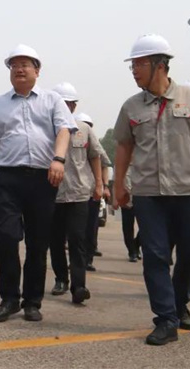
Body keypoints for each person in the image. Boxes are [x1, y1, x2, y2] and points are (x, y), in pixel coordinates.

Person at [113, 34, 190, 346]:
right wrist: (119, 184)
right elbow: (124, 148)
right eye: (132, 65)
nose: (134, 70)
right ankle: (166, 319)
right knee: (155, 255)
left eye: (140, 64)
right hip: (148, 193)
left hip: (187, 190)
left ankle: (179, 302)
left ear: (160, 65)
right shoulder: (131, 106)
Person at [0, 44, 75, 323]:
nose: (19, 69)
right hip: (8, 179)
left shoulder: (52, 100)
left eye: (25, 64)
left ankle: (32, 301)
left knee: (38, 242)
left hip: (43, 178)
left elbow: (64, 130)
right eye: (14, 65)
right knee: (7, 238)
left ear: (37, 70)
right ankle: (9, 299)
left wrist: (58, 159)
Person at [49, 83, 103, 305]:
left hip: (79, 193)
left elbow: (95, 156)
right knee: (55, 241)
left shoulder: (84, 129)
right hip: (53, 194)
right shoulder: (46, 128)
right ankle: (61, 279)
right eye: (62, 103)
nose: (66, 107)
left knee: (77, 239)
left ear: (74, 106)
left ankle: (79, 286)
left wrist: (99, 184)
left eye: (69, 104)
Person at [77, 112, 110, 271]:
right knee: (77, 229)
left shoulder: (96, 145)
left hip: (92, 192)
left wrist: (104, 186)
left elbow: (104, 165)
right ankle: (77, 259)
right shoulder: (69, 141)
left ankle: (88, 259)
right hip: (77, 191)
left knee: (91, 227)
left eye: (89, 125)